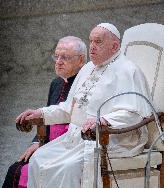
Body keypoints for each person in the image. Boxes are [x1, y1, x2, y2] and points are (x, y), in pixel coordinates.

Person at [16, 23, 152, 188]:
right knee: (39, 158)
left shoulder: (128, 71)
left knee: (67, 168)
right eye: (91, 41)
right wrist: (41, 113)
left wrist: (103, 120)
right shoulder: (87, 68)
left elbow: (134, 114)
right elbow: (69, 109)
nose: (92, 47)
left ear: (114, 46)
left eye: (98, 42)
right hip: (76, 139)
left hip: (110, 139)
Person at [2, 36, 87, 188]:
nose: (58, 61)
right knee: (15, 170)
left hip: (70, 149)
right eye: (57, 56)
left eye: (65, 57)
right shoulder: (56, 83)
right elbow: (47, 116)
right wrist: (37, 142)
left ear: (81, 61)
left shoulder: (87, 85)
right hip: (48, 145)